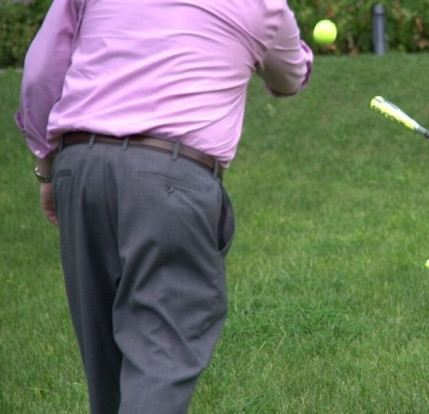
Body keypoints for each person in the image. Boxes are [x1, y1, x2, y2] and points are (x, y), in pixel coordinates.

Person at [15, 1, 313, 412]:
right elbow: (289, 76)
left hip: (78, 168)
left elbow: (41, 70)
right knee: (160, 358)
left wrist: (47, 165)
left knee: (107, 367)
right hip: (172, 180)